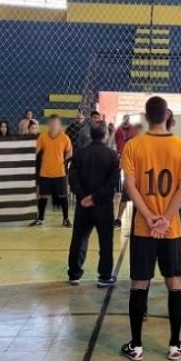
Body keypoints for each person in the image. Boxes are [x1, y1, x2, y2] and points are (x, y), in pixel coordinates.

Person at [120, 96, 181, 361]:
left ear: (146, 116)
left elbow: (131, 186)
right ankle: (174, 345)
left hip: (143, 228)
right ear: (166, 116)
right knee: (174, 283)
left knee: (139, 284)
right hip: (170, 229)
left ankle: (137, 345)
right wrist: (164, 219)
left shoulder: (133, 146)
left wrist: (151, 217)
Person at [67, 121, 120, 287]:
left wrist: (83, 197)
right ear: (105, 135)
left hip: (83, 205)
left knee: (79, 239)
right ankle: (105, 276)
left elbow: (72, 178)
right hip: (103, 205)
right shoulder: (112, 155)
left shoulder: (80, 154)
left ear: (91, 134)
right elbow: (113, 181)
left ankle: (74, 274)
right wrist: (96, 197)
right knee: (105, 241)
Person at [32, 114, 73, 227]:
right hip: (45, 172)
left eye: (56, 123)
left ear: (59, 125)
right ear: (49, 124)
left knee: (63, 196)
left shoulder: (65, 138)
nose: (53, 125)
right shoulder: (42, 137)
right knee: (43, 196)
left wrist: (64, 161)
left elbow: (70, 152)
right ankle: (40, 219)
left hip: (60, 172)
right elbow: (35, 151)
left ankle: (65, 219)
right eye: (51, 122)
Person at [114, 123, 144, 228]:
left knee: (140, 199)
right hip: (132, 176)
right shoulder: (130, 145)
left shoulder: (144, 145)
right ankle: (118, 219)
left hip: (141, 177)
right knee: (125, 199)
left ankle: (138, 220)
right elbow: (124, 163)